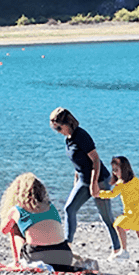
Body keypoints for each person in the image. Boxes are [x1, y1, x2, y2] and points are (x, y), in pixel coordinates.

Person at [49, 107, 122, 257]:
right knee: (69, 209)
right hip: (83, 180)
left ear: (65, 123)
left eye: (58, 127)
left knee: (106, 217)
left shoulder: (81, 135)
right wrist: (76, 180)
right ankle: (67, 245)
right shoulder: (68, 139)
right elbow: (79, 161)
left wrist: (95, 184)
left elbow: (95, 160)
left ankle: (118, 250)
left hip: (100, 180)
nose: (57, 131)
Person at [0, 173, 77, 271]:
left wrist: (17, 221)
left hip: (37, 256)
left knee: (14, 227)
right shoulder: (51, 207)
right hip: (64, 256)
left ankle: (16, 262)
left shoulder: (17, 210)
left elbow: (4, 230)